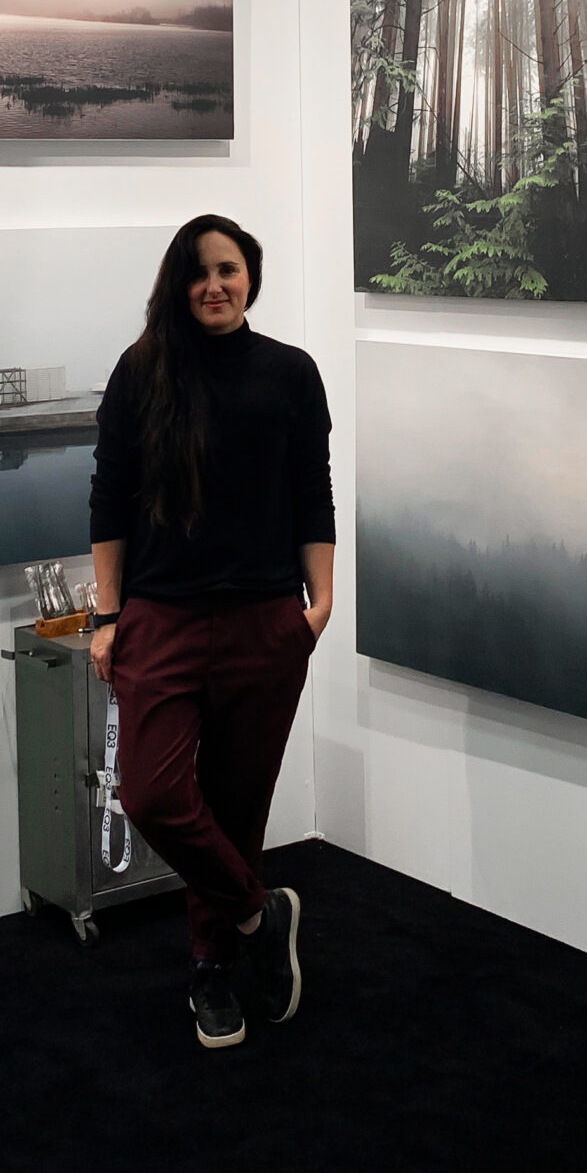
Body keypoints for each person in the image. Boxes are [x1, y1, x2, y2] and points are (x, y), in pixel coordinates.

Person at [88, 213, 334, 1050]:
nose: (214, 286)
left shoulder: (291, 373)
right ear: (177, 286)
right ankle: (261, 916)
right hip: (161, 617)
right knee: (152, 794)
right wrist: (108, 615)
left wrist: (320, 604)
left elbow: (312, 491)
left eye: (228, 269)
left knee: (236, 808)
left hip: (266, 620)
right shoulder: (142, 373)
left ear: (251, 276)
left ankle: (212, 968)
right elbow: (109, 498)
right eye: (198, 273)